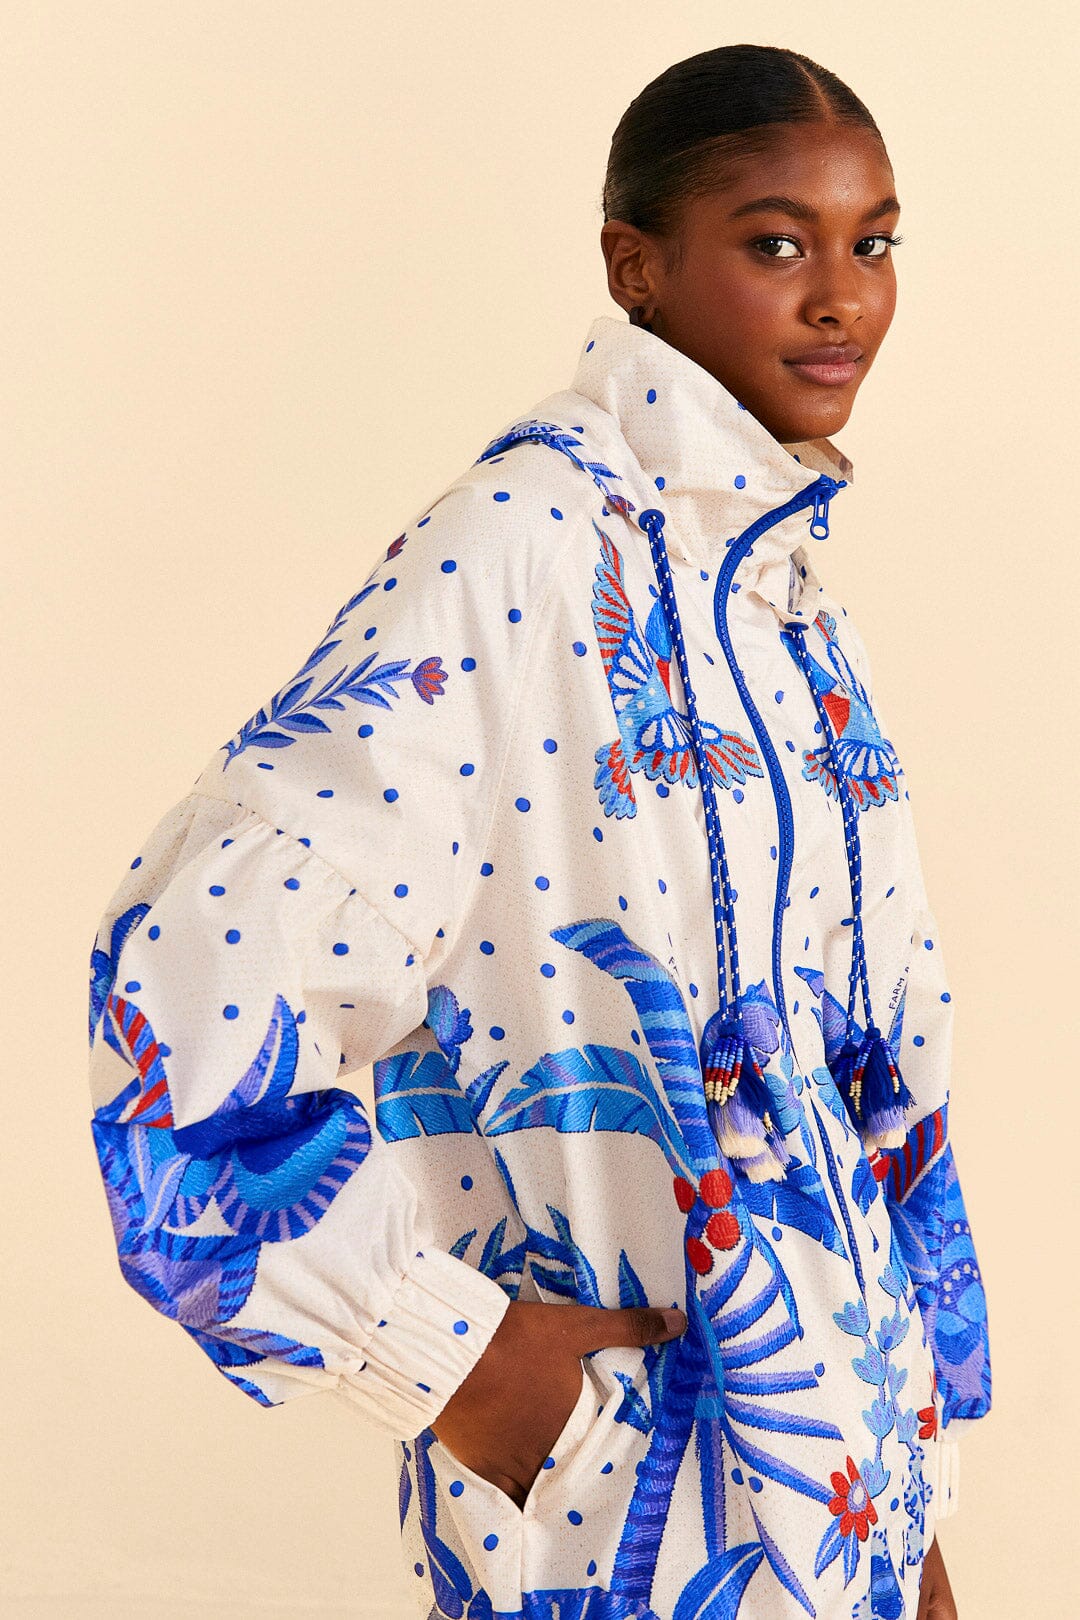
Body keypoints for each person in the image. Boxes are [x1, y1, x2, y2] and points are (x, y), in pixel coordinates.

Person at [86, 42, 991, 1620]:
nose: (842, 298)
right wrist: (454, 1361)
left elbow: (875, 1090)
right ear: (636, 265)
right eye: (778, 243)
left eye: (874, 242)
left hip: (841, 1511)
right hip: (620, 1514)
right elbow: (186, 968)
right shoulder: (523, 546)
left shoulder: (784, 601)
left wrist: (908, 1508)